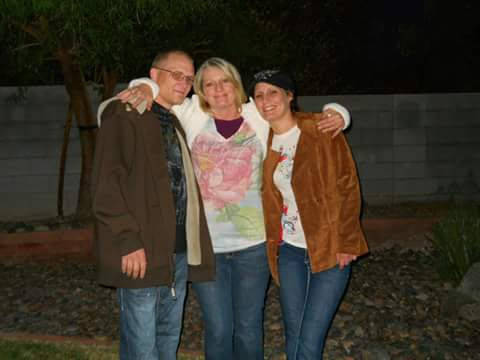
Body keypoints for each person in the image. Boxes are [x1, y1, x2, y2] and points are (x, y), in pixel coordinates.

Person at [102, 57, 350, 360]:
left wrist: (339, 113)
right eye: (209, 84)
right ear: (201, 90)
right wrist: (143, 85)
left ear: (236, 85)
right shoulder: (191, 113)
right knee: (218, 329)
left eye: (225, 82)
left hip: (255, 247)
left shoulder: (256, 116)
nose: (218, 89)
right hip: (209, 250)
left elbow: (298, 119)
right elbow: (144, 99)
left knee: (247, 327)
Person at [91, 50, 215, 360]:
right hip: (141, 250)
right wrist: (127, 240)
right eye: (177, 75)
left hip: (177, 252)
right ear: (153, 73)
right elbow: (106, 185)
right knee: (143, 346)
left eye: (189, 78)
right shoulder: (126, 113)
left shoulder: (174, 121)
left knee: (167, 336)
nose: (185, 83)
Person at [251, 70, 369, 359]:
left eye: (273, 92)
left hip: (329, 250)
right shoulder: (261, 138)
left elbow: (348, 185)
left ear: (290, 96)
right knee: (295, 332)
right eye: (259, 95)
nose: (266, 100)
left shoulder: (320, 128)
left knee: (311, 336)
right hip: (289, 251)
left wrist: (348, 241)